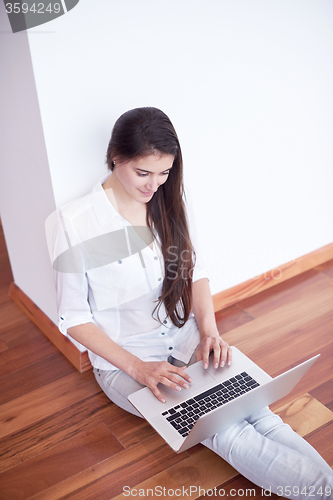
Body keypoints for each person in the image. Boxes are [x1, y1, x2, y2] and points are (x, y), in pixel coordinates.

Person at [47, 107, 333, 499]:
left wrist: (209, 332)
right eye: (143, 173)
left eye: (163, 173)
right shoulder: (74, 222)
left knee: (257, 412)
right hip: (128, 362)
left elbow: (195, 272)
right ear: (116, 156)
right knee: (224, 429)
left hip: (187, 341)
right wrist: (140, 368)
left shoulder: (170, 198)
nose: (154, 185)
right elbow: (73, 318)